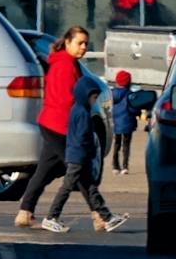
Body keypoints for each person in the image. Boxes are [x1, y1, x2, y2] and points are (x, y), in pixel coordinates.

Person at [43, 57, 129, 233]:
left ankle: (107, 217)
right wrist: (90, 153)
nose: (94, 100)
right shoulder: (82, 112)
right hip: (78, 156)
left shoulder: (78, 109)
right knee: (68, 186)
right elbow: (83, 137)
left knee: (90, 187)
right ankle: (51, 217)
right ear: (85, 95)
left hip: (77, 155)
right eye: (94, 97)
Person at [17, 26, 87, 229]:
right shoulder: (66, 65)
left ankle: (25, 212)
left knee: (46, 169)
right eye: (79, 43)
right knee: (78, 168)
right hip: (59, 126)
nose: (83, 48)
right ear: (67, 42)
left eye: (86, 44)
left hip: (52, 123)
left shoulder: (66, 63)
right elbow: (67, 99)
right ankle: (100, 215)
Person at [110, 74, 141, 174]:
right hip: (128, 123)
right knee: (126, 145)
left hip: (115, 123)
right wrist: (138, 113)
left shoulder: (111, 94)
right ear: (128, 82)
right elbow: (134, 109)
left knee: (116, 144)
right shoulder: (131, 95)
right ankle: (125, 166)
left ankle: (115, 166)